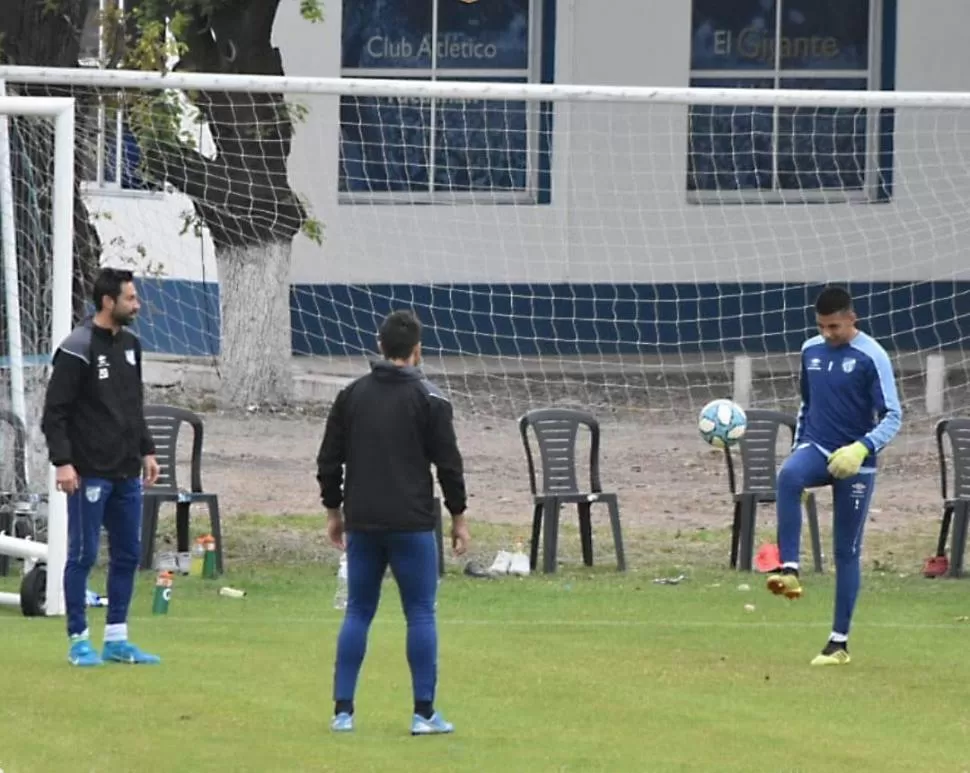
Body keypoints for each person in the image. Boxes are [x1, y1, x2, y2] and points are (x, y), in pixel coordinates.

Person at [316, 309, 470, 735]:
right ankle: (423, 714)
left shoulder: (351, 396)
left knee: (358, 611)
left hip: (362, 521)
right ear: (417, 350)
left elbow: (328, 460)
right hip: (413, 523)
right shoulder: (431, 400)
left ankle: (342, 711)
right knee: (420, 612)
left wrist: (334, 511)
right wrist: (459, 517)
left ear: (379, 346)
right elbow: (449, 466)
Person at [766, 286, 902, 666]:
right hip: (818, 447)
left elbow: (893, 416)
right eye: (822, 326)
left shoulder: (871, 356)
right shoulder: (810, 351)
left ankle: (838, 642)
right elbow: (806, 404)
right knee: (789, 475)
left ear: (851, 318)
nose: (828, 333)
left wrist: (862, 448)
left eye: (835, 326)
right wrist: (799, 446)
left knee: (846, 551)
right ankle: (789, 568)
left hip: (856, 461)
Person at [41, 267, 161, 667]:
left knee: (128, 554)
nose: (137, 304)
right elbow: (54, 413)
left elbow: (133, 405)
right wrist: (63, 463)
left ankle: (117, 638)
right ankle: (78, 640)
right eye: (130, 298)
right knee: (83, 554)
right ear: (108, 302)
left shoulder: (131, 345)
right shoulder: (77, 348)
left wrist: (147, 451)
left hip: (126, 471)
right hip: (88, 471)